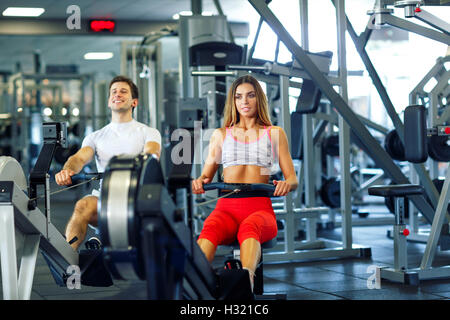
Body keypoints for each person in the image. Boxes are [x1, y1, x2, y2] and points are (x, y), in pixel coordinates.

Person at [191, 74, 298, 291]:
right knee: (209, 228)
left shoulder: (274, 133)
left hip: (259, 209)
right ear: (233, 102)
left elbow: (292, 179)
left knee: (250, 227)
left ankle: (244, 283)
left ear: (259, 99)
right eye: (239, 97)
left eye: (250, 96)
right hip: (226, 208)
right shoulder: (221, 135)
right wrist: (199, 181)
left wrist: (287, 184)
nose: (244, 102)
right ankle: (195, 284)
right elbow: (206, 176)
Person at [55, 75, 161, 250]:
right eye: (114, 92)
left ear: (134, 102)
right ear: (108, 102)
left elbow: (151, 154)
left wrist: (137, 165)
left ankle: (103, 238)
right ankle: (67, 262)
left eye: (123, 91)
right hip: (105, 200)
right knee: (82, 206)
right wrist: (67, 170)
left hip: (137, 199)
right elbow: (78, 158)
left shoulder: (148, 132)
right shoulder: (95, 137)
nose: (117, 94)